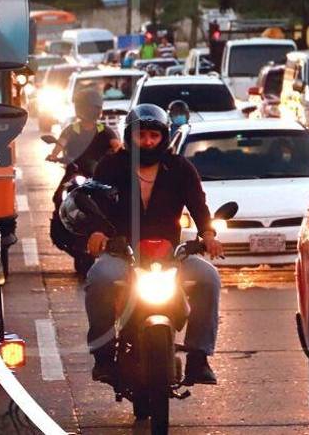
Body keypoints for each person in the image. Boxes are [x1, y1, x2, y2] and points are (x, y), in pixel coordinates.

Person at [82, 104, 224, 386]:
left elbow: (198, 203)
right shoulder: (110, 166)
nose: (147, 141)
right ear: (128, 137)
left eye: (153, 136)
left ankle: (199, 357)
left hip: (169, 255)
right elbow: (94, 203)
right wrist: (96, 232)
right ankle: (103, 355)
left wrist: (208, 234)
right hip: (122, 253)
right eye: (141, 135)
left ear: (163, 137)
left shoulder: (180, 168)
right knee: (98, 278)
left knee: (209, 277)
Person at [47, 89, 121, 208]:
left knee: (112, 196)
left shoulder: (104, 130)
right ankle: (57, 224)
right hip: (74, 171)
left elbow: (117, 146)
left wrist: (122, 156)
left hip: (98, 172)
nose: (91, 111)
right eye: (89, 108)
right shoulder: (72, 129)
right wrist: (53, 155)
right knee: (58, 197)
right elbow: (61, 143)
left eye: (94, 108)